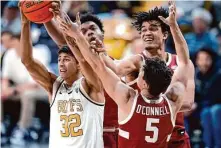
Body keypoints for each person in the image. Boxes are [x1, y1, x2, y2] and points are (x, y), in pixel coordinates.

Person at [57, 7, 193, 147]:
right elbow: (184, 62)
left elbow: (98, 67)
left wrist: (76, 35)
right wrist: (174, 26)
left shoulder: (128, 99)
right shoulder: (173, 101)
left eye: (140, 73)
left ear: (144, 83)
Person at [99, 2, 195, 147]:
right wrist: (95, 51)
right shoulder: (136, 61)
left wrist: (155, 102)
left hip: (175, 136)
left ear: (165, 34)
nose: (147, 33)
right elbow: (115, 69)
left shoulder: (179, 62)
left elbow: (187, 103)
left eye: (153, 28)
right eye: (143, 30)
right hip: (143, 139)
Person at [19, 4, 104, 148]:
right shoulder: (54, 85)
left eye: (66, 60)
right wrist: (25, 23)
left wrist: (72, 33)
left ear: (77, 65)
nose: (61, 64)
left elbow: (83, 59)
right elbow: (27, 61)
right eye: (59, 60)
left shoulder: (91, 84)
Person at [44, 2, 118, 147]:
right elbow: (61, 40)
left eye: (93, 29)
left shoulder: (114, 64)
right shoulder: (77, 64)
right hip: (84, 136)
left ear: (102, 35)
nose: (89, 32)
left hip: (112, 133)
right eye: (82, 31)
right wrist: (44, 15)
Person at [1, 33, 48, 146]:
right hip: (19, 88)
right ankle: (1, 127)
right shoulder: (9, 54)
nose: (8, 43)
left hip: (41, 88)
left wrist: (13, 90)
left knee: (27, 94)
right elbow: (5, 78)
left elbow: (36, 83)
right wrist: (5, 89)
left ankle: (23, 130)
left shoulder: (37, 53)